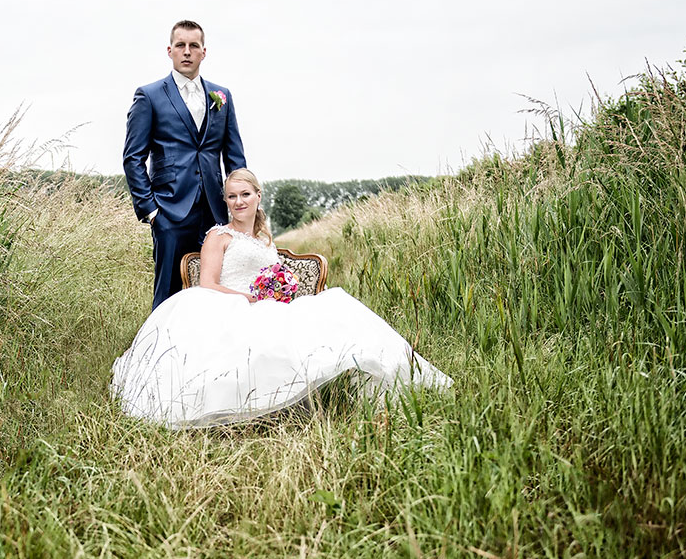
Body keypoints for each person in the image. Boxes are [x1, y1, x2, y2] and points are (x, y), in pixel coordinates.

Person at [111, 169, 452, 428]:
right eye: (231, 197)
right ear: (225, 201)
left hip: (269, 305)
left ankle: (379, 376)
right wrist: (247, 298)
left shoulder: (264, 239)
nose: (238, 202)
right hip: (230, 303)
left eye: (245, 194)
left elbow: (273, 279)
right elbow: (209, 284)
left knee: (336, 304)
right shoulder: (218, 236)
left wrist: (277, 294)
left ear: (258, 196)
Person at [124, 20, 248, 311]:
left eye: (194, 46)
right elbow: (133, 157)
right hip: (170, 211)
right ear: (170, 50)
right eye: (181, 45)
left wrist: (240, 207)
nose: (187, 51)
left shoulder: (222, 96)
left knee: (219, 292)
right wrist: (151, 211)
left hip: (216, 214)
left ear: (204, 52)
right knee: (168, 295)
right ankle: (159, 354)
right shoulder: (149, 95)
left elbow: (235, 158)